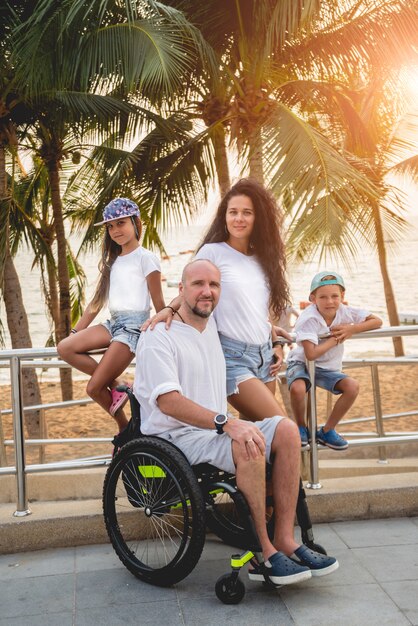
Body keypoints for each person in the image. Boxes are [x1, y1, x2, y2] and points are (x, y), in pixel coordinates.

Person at [135, 259, 338, 585]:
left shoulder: (214, 325)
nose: (207, 291)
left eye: (214, 285)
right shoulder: (159, 335)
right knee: (247, 439)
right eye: (198, 284)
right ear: (181, 290)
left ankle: (285, 538)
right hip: (176, 436)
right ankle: (263, 552)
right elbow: (167, 401)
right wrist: (226, 423)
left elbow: (250, 325)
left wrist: (273, 339)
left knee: (285, 429)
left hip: (213, 431)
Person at [143, 178, 291, 421]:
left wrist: (275, 342)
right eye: (233, 212)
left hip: (265, 357)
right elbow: (193, 288)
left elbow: (256, 311)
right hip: (233, 358)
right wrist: (169, 308)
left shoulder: (262, 259)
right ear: (225, 216)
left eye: (247, 213)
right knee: (283, 428)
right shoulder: (213, 252)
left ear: (258, 218)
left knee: (258, 441)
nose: (238, 218)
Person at [58, 198, 165, 432]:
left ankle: (124, 428)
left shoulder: (146, 258)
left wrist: (166, 333)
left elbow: (159, 303)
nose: (115, 230)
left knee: (93, 388)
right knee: (64, 347)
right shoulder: (113, 261)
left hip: (133, 329)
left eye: (121, 223)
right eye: (110, 226)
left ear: (136, 223)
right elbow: (95, 304)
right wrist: (76, 332)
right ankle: (117, 384)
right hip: (113, 324)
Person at [286, 271, 383, 450]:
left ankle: (327, 430)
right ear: (312, 298)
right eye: (323, 297)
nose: (329, 302)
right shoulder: (308, 318)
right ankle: (301, 427)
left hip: (327, 367)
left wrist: (352, 329)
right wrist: (335, 338)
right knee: (298, 389)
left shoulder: (345, 312)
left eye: (334, 296)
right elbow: (311, 354)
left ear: (342, 296)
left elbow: (377, 321)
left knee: (352, 386)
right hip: (301, 363)